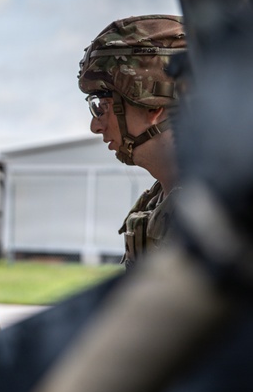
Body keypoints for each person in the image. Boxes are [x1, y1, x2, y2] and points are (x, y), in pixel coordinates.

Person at [78, 14, 188, 268]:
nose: (95, 126)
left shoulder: (219, 213)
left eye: (102, 106)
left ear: (152, 105)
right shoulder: (161, 200)